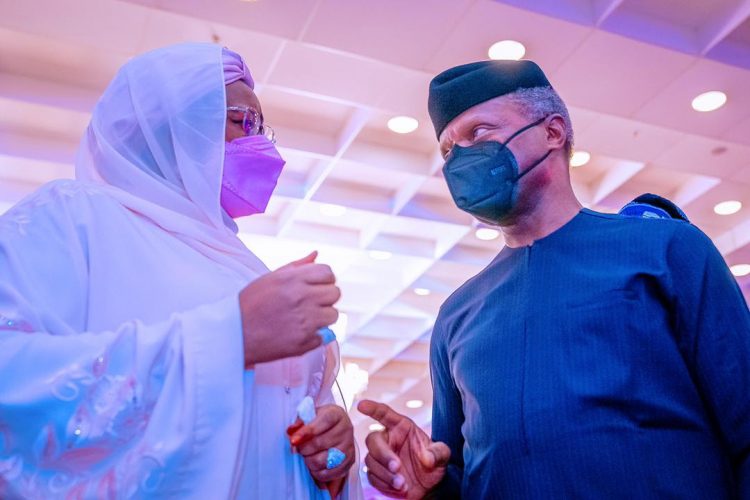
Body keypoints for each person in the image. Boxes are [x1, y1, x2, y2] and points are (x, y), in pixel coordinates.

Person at [359, 60, 750, 499]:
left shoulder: (666, 251)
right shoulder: (456, 315)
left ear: (553, 132)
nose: (461, 159)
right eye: (449, 150)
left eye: (478, 132)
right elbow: (464, 475)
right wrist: (429, 484)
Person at [0, 43, 361, 499]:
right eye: (242, 122)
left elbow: (284, 425)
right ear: (170, 124)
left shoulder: (244, 266)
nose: (261, 145)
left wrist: (329, 450)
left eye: (262, 129)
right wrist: (230, 335)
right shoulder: (72, 217)